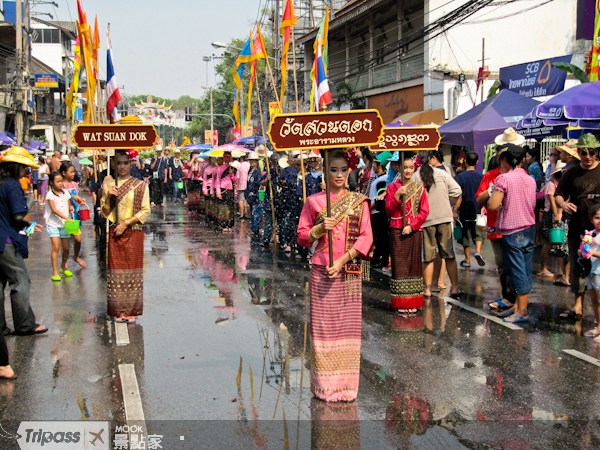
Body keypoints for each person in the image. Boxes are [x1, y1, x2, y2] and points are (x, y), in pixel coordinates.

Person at [297, 149, 373, 402]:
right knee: (324, 330)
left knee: (347, 330)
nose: (338, 175)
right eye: (333, 169)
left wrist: (342, 259)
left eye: (343, 170)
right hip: (322, 270)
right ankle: (325, 386)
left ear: (349, 170)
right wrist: (319, 229)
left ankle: (347, 387)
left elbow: (366, 237)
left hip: (348, 272)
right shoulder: (314, 202)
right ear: (324, 170)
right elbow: (302, 236)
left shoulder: (358, 201)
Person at [487, 143, 536, 323]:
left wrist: (493, 198)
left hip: (513, 230)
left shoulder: (504, 179)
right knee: (525, 268)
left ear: (505, 161)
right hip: (529, 227)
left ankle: (522, 310)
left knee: (516, 270)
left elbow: (493, 204)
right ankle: (518, 306)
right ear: (522, 161)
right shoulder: (530, 179)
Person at [0, 146, 47, 336]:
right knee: (20, 280)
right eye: (24, 169)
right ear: (16, 168)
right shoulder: (12, 185)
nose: (26, 172)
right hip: (6, 241)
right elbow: (18, 215)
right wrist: (31, 225)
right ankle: (25, 324)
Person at [101, 150, 150, 323]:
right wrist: (108, 197)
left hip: (133, 232)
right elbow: (105, 212)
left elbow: (145, 211)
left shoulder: (141, 185)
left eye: (125, 163)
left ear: (131, 164)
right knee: (116, 272)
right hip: (115, 233)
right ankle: (118, 309)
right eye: (119, 163)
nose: (122, 167)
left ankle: (131, 310)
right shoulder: (109, 185)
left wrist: (125, 223)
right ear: (113, 164)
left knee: (132, 272)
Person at [555, 133, 600, 320]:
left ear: (597, 152)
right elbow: (558, 194)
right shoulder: (571, 173)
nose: (588, 156)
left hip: (598, 232)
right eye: (583, 152)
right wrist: (563, 204)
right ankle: (578, 305)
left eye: (591, 152)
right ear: (578, 152)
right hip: (577, 229)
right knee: (578, 267)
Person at [412, 150, 462, 299]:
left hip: (426, 220)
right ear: (430, 160)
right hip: (444, 218)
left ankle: (426, 289)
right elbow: (457, 190)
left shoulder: (415, 176)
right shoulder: (442, 174)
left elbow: (412, 200)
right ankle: (455, 288)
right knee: (449, 255)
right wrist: (448, 203)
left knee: (428, 256)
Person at [385, 156, 429, 314]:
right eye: (405, 167)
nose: (408, 170)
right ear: (398, 168)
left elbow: (424, 211)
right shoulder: (391, 187)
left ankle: (413, 302)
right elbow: (389, 210)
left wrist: (412, 225)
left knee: (414, 267)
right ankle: (400, 302)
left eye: (411, 167)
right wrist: (397, 196)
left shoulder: (419, 187)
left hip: (414, 231)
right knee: (400, 268)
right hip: (397, 229)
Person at [45, 171, 85, 281]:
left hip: (65, 224)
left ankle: (63, 265)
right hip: (53, 224)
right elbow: (53, 210)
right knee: (56, 247)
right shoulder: (50, 194)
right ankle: (55, 271)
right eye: (57, 181)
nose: (60, 183)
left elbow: (68, 205)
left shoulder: (65, 193)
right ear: (51, 183)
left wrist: (71, 208)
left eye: (61, 181)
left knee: (66, 248)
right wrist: (66, 217)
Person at [455, 152, 485, 267]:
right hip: (479, 209)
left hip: (464, 210)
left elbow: (457, 195)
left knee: (464, 235)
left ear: (465, 161)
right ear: (477, 162)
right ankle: (477, 252)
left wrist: (455, 210)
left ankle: (467, 260)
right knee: (479, 234)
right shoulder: (481, 177)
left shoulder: (460, 177)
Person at [60, 161, 86, 269]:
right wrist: (69, 203)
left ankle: (76, 256)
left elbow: (77, 197)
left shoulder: (75, 184)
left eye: (74, 172)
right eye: (71, 172)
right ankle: (64, 262)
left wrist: (81, 201)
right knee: (65, 243)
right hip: (65, 216)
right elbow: (64, 197)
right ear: (63, 173)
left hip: (75, 215)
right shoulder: (60, 184)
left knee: (78, 239)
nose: (73, 174)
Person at [369, 151, 392, 269]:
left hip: (379, 213)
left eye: (375, 164)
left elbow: (380, 199)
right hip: (375, 212)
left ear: (380, 166)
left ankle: (381, 259)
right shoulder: (377, 178)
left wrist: (369, 208)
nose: (373, 166)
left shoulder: (383, 180)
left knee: (381, 238)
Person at [582, 204, 600, 341]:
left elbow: (592, 252)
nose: (599, 221)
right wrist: (581, 251)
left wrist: (592, 252)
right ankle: (599, 326)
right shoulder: (590, 234)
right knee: (594, 300)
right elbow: (583, 250)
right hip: (591, 270)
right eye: (597, 217)